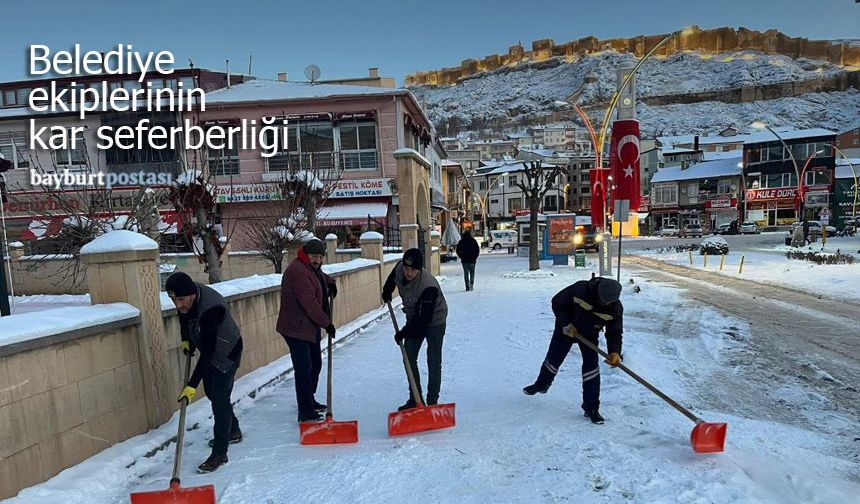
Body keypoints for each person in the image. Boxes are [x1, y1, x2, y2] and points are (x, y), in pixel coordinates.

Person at [166, 271, 243, 473]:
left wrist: (191, 385)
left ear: (191, 294)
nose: (178, 305)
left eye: (181, 300)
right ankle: (233, 430)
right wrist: (186, 339)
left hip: (227, 352)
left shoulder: (211, 308)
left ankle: (220, 452)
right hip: (210, 349)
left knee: (219, 400)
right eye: (174, 300)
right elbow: (184, 318)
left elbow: (208, 353)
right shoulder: (186, 300)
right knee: (213, 393)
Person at [523, 276, 624, 424]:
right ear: (598, 291)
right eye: (603, 300)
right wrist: (565, 324)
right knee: (554, 358)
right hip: (567, 329)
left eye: (609, 302)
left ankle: (591, 408)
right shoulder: (581, 290)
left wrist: (614, 352)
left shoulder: (615, 309)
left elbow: (614, 331)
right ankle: (541, 384)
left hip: (589, 334)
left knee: (591, 369)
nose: (606, 303)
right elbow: (557, 302)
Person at [276, 238, 338, 423]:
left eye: (321, 257)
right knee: (304, 369)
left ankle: (309, 400)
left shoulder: (308, 267)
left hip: (308, 326)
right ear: (305, 254)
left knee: (315, 364)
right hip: (296, 328)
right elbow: (309, 304)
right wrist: (327, 323)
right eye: (314, 256)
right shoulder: (297, 272)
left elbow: (318, 275)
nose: (318, 260)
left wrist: (330, 282)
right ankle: (305, 411)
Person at [382, 248, 449, 409]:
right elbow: (392, 279)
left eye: (413, 270)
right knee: (408, 357)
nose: (409, 272)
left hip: (434, 321)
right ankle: (415, 399)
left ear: (419, 269)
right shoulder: (400, 268)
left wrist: (403, 333)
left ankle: (432, 402)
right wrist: (387, 291)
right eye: (407, 268)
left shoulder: (428, 286)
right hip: (414, 317)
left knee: (433, 361)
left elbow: (422, 322)